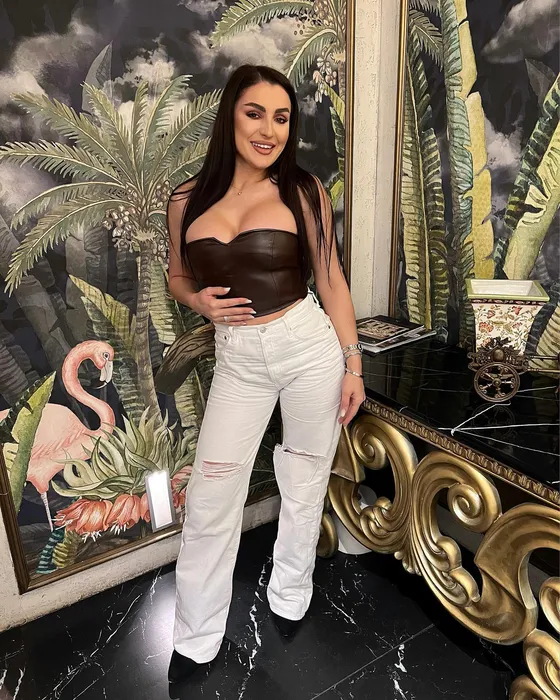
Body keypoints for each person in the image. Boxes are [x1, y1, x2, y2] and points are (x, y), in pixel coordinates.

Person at [166, 64, 365, 684]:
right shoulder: (186, 200)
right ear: (230, 114)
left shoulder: (302, 190)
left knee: (304, 477)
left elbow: (330, 279)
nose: (269, 130)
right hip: (237, 361)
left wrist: (353, 363)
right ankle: (195, 634)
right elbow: (178, 275)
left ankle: (291, 588)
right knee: (210, 498)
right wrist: (198, 302)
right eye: (255, 113)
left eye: (282, 118)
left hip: (308, 348)